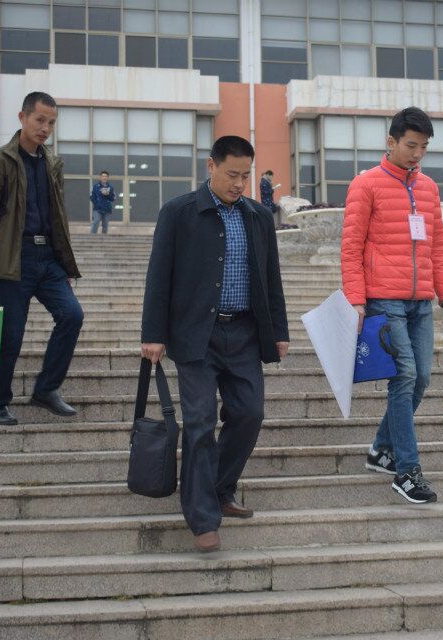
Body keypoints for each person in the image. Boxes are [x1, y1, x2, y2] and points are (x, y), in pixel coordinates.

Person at [141, 135, 290, 552]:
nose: (239, 184)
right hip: (196, 336)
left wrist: (279, 330)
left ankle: (221, 488)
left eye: (246, 176)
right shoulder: (178, 213)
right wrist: (152, 334)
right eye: (232, 175)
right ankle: (203, 517)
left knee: (250, 413)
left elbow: (271, 278)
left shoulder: (258, 217)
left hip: (243, 334)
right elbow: (158, 276)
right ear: (211, 166)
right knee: (201, 421)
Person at [340, 106, 443, 504]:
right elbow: (351, 248)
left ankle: (380, 449)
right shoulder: (366, 185)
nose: (417, 154)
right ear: (391, 141)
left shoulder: (428, 189)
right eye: (411, 145)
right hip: (384, 298)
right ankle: (407, 472)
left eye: (424, 147)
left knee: (421, 378)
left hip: (420, 301)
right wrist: (356, 300)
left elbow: (436, 247)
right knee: (404, 376)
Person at [0, 91, 84, 426]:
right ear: (22, 118)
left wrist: (64, 263)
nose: (45, 128)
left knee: (72, 315)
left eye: (51, 123)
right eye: (40, 120)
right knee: (10, 335)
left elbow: (57, 217)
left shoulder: (52, 164)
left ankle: (46, 390)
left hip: (47, 259)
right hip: (12, 259)